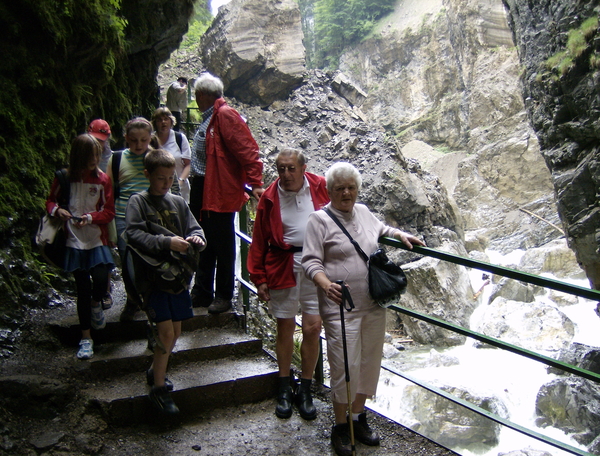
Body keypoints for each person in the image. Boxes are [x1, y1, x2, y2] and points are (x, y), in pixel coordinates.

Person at [302, 162, 425, 456]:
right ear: (329, 191)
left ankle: (358, 417)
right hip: (340, 306)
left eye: (351, 187)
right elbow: (309, 262)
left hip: (373, 303)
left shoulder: (365, 211)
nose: (346, 193)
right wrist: (324, 283)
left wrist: (399, 235)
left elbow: (381, 229)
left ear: (357, 189)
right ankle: (341, 426)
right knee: (344, 364)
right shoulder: (318, 221)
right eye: (340, 188)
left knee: (370, 361)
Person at [247, 149, 329, 420]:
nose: (286, 174)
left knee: (313, 326)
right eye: (281, 169)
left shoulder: (320, 186)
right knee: (284, 325)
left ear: (303, 167)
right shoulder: (270, 197)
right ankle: (284, 386)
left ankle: (305, 388)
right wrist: (258, 277)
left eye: (291, 168)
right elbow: (258, 238)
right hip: (282, 263)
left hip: (316, 263)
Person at [124, 148, 206, 414]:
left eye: (170, 178)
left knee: (177, 331)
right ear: (147, 175)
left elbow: (194, 227)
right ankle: (158, 389)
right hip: (153, 278)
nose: (166, 183)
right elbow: (133, 235)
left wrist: (196, 239)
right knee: (166, 332)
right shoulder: (139, 201)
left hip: (179, 278)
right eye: (161, 178)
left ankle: (154, 370)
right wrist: (166, 242)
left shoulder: (179, 202)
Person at [189, 72, 264, 314]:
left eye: (196, 95)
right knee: (204, 240)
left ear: (202, 95)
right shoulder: (210, 117)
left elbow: (247, 149)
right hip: (203, 186)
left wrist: (255, 183)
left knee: (222, 243)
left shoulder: (225, 115)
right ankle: (201, 291)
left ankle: (223, 295)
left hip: (218, 187)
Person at [45, 134, 115, 359]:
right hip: (73, 239)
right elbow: (50, 201)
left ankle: (97, 303)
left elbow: (109, 210)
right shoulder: (64, 178)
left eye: (97, 154)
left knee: (102, 276)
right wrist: (58, 211)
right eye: (90, 155)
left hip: (96, 238)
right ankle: (86, 338)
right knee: (82, 288)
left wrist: (92, 218)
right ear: (78, 156)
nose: (95, 159)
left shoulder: (103, 180)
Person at [107, 117, 153, 322]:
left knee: (152, 260)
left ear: (150, 138)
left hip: (150, 218)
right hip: (123, 216)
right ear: (126, 138)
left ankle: (150, 299)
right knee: (128, 261)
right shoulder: (116, 159)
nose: (139, 145)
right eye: (134, 140)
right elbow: (108, 191)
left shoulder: (155, 158)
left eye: (144, 140)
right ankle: (132, 300)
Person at [88, 118, 115, 310]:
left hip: (104, 207)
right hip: (86, 206)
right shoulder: (82, 151)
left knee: (105, 249)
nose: (100, 142)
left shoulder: (110, 156)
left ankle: (104, 290)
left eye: (102, 139)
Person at [151, 107, 192, 202]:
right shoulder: (151, 140)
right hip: (158, 188)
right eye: (159, 120)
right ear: (155, 123)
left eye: (166, 119)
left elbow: (188, 164)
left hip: (181, 188)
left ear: (171, 121)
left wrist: (180, 181)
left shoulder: (180, 138)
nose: (163, 122)